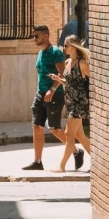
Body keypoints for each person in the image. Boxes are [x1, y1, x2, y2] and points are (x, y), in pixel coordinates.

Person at [24, 23, 64, 172]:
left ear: (46, 36)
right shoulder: (40, 53)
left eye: (37, 36)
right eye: (34, 36)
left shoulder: (56, 53)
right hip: (40, 94)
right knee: (36, 126)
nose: (34, 38)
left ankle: (75, 151)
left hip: (55, 95)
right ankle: (37, 161)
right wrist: (42, 92)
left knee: (55, 129)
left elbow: (61, 75)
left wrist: (52, 90)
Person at [55, 38, 91, 173]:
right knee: (80, 135)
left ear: (74, 47)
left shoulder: (82, 64)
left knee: (68, 133)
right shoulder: (68, 62)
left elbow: (92, 80)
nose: (64, 48)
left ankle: (62, 166)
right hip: (70, 101)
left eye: (66, 46)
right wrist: (58, 79)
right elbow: (69, 82)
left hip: (79, 103)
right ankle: (98, 163)